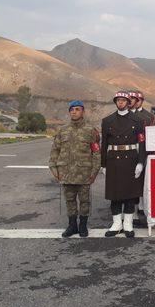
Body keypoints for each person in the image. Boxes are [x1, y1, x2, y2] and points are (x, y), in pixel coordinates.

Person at [49, 100, 101, 238]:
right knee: (69, 201)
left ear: (83, 111)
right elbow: (55, 150)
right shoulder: (62, 130)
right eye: (72, 109)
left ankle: (83, 226)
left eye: (77, 109)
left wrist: (95, 171)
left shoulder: (91, 131)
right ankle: (72, 226)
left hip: (84, 173)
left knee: (84, 201)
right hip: (66, 172)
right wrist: (54, 168)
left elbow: (96, 153)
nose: (74, 112)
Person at [101, 91, 147, 238]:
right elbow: (104, 145)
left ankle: (127, 224)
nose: (120, 102)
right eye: (118, 100)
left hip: (130, 159)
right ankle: (116, 224)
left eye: (123, 100)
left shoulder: (137, 121)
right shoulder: (107, 121)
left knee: (129, 194)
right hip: (113, 160)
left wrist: (140, 162)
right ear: (115, 102)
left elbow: (141, 142)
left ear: (128, 103)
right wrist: (103, 165)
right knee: (114, 194)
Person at [130, 90, 155, 226]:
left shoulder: (149, 116)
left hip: (145, 151)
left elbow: (152, 134)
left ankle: (143, 206)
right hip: (131, 151)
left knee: (145, 180)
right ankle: (133, 210)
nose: (135, 102)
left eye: (138, 100)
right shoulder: (127, 115)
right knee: (132, 182)